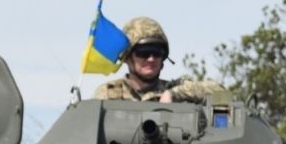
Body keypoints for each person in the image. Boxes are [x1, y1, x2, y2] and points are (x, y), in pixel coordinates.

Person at [94, 17, 224, 103]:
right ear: (127, 57)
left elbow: (221, 93)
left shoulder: (176, 89)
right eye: (143, 53)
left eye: (157, 53)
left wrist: (176, 94)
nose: (151, 59)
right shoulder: (107, 95)